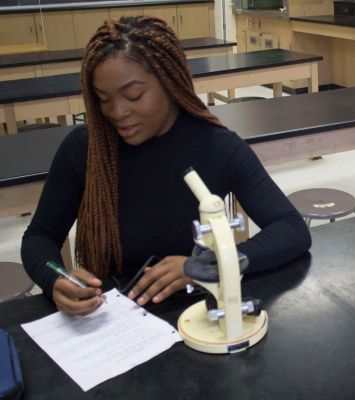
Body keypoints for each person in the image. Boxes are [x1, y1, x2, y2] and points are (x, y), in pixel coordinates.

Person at [21, 15, 311, 316]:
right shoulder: (85, 149)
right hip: (110, 320)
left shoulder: (218, 147)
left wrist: (207, 265)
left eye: (134, 95)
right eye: (103, 100)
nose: (117, 112)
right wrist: (54, 278)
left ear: (170, 82)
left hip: (195, 315)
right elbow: (38, 237)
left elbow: (291, 230)